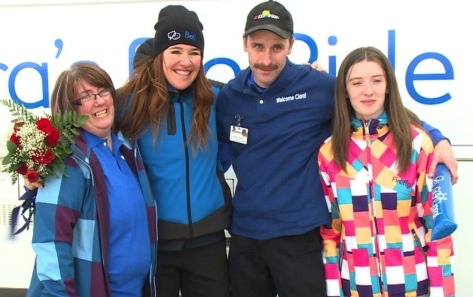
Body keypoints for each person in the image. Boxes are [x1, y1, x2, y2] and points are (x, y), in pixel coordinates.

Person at [215, 1, 457, 297]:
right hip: (245, 237)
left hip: (300, 238)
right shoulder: (229, 97)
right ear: (244, 44)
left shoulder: (319, 87)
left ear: (291, 45)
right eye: (258, 46)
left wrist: (438, 137)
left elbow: (375, 106)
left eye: (277, 47)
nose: (266, 58)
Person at [318, 46, 455, 297]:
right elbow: (330, 232)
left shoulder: (416, 143)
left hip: (412, 284)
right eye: (357, 82)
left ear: (388, 86)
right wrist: (333, 290)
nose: (368, 91)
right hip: (357, 286)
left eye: (376, 81)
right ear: (345, 92)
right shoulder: (329, 153)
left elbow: (438, 229)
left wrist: (443, 292)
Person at [115, 5, 232, 297]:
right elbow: (79, 133)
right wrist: (39, 170)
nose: (186, 61)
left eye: (194, 52)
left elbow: (265, 100)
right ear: (159, 55)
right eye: (175, 50)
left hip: (209, 240)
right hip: (154, 241)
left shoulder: (216, 98)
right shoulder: (128, 102)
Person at [26, 62, 158, 297]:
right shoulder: (68, 161)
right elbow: (51, 244)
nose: (98, 101)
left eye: (103, 91)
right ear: (70, 110)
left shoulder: (127, 149)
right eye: (85, 97)